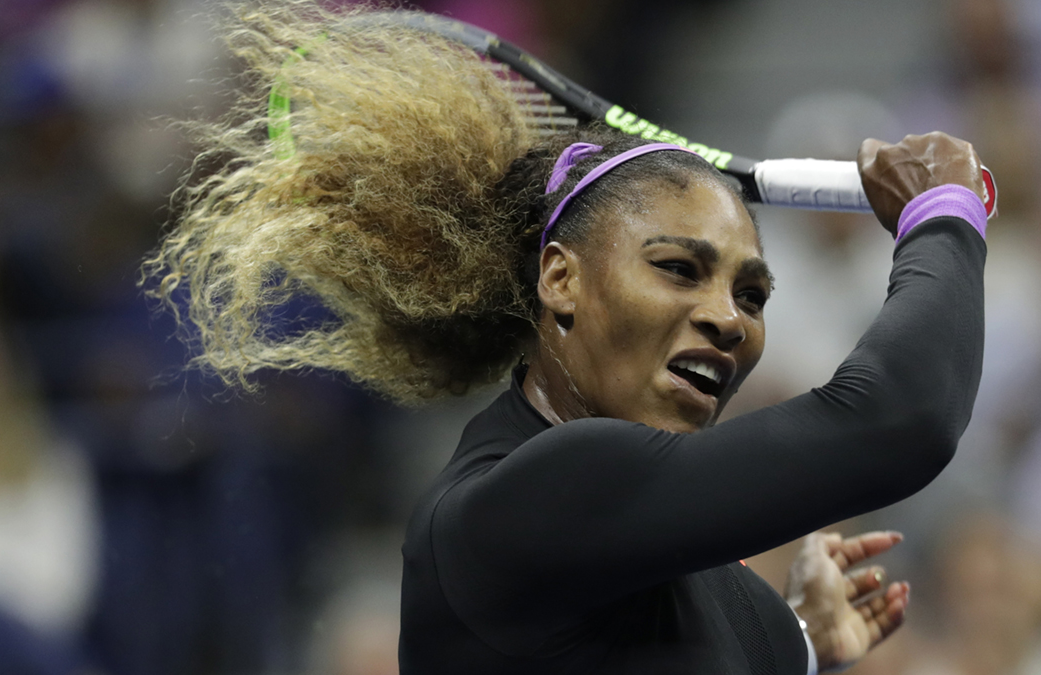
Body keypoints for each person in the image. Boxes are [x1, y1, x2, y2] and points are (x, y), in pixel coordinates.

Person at [144, 3, 989, 673]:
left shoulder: (674, 560)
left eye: (752, 291)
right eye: (679, 267)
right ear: (561, 279)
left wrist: (797, 644)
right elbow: (898, 419)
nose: (730, 317)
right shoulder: (540, 490)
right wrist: (941, 217)